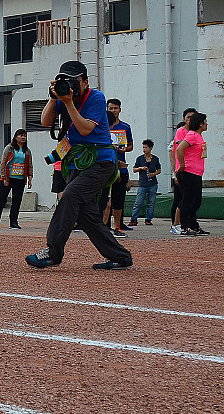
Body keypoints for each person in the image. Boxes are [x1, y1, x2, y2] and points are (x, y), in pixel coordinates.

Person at [26, 60, 132, 270]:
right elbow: (46, 122)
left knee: (71, 195)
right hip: (76, 162)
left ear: (85, 82)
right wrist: (53, 97)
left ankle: (53, 252)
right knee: (86, 216)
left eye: (75, 81)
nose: (71, 86)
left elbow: (84, 129)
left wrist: (67, 103)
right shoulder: (63, 96)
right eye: (66, 81)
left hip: (100, 161)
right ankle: (121, 257)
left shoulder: (96, 97)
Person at [175, 113, 209, 236]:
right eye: (205, 121)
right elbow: (179, 149)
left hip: (197, 172)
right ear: (200, 124)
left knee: (196, 201)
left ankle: (194, 225)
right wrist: (182, 165)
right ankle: (186, 226)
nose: (207, 124)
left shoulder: (199, 136)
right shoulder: (192, 135)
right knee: (188, 200)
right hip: (189, 172)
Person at [0, 130, 32, 229]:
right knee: (1, 199)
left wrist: (30, 178)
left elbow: (29, 165)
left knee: (17, 201)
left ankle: (13, 222)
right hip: (8, 178)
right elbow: (3, 163)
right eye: (21, 135)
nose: (23, 137)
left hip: (20, 179)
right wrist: (4, 177)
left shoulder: (27, 151)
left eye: (25, 136)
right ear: (16, 137)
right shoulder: (9, 148)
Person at [103, 98, 134, 236]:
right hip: (105, 167)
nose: (113, 110)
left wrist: (123, 150)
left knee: (118, 198)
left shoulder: (125, 127)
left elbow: (131, 146)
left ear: (120, 109)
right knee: (105, 199)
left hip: (121, 168)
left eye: (116, 108)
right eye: (111, 108)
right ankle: (104, 226)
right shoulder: (102, 127)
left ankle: (118, 226)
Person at [168, 107, 196, 235]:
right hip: (183, 169)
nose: (190, 120)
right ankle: (176, 224)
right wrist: (176, 172)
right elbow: (176, 152)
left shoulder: (196, 133)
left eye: (193, 117)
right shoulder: (181, 132)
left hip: (193, 170)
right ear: (184, 119)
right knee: (181, 200)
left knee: (192, 199)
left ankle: (191, 224)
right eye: (188, 117)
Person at [129, 140, 161, 226]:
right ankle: (134, 219)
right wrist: (141, 168)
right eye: (143, 147)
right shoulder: (140, 158)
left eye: (146, 147)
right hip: (142, 183)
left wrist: (153, 174)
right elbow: (134, 169)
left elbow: (159, 170)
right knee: (138, 202)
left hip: (152, 183)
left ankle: (148, 219)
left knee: (151, 203)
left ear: (150, 148)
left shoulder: (155, 159)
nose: (144, 149)